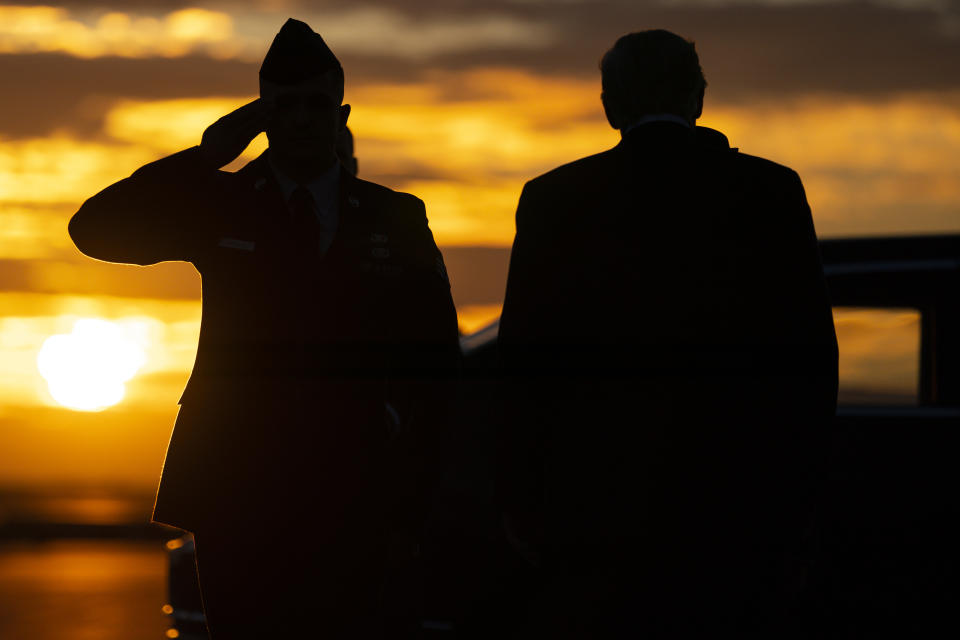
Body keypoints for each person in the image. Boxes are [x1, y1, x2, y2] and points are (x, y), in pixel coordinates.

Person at [69, 18, 460, 639]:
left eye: (316, 104)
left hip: (356, 497)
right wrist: (207, 157)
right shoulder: (223, 202)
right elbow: (94, 229)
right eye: (284, 106)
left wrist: (412, 510)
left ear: (342, 111)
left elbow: (438, 371)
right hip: (237, 492)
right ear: (262, 115)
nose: (302, 119)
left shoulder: (395, 217)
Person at [497, 30, 838, 637]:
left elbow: (523, 364)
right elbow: (810, 361)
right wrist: (798, 508)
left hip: (594, 512)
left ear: (609, 106)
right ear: (698, 97)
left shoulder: (553, 200)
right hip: (736, 510)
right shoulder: (770, 191)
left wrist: (524, 499)